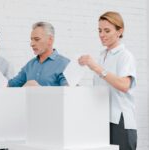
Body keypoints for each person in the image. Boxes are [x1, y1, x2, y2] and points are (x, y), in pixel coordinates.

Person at [78, 11, 137, 150]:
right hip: (102, 120)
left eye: (107, 30)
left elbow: (124, 85)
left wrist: (98, 69)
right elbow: (102, 89)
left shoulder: (125, 56)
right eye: (99, 30)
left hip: (120, 121)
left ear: (119, 31)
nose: (101, 35)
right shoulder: (102, 56)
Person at [7, 22, 70, 87]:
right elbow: (11, 85)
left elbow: (67, 94)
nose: (31, 44)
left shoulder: (64, 64)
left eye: (37, 39)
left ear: (50, 40)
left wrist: (39, 90)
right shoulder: (30, 65)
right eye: (31, 40)